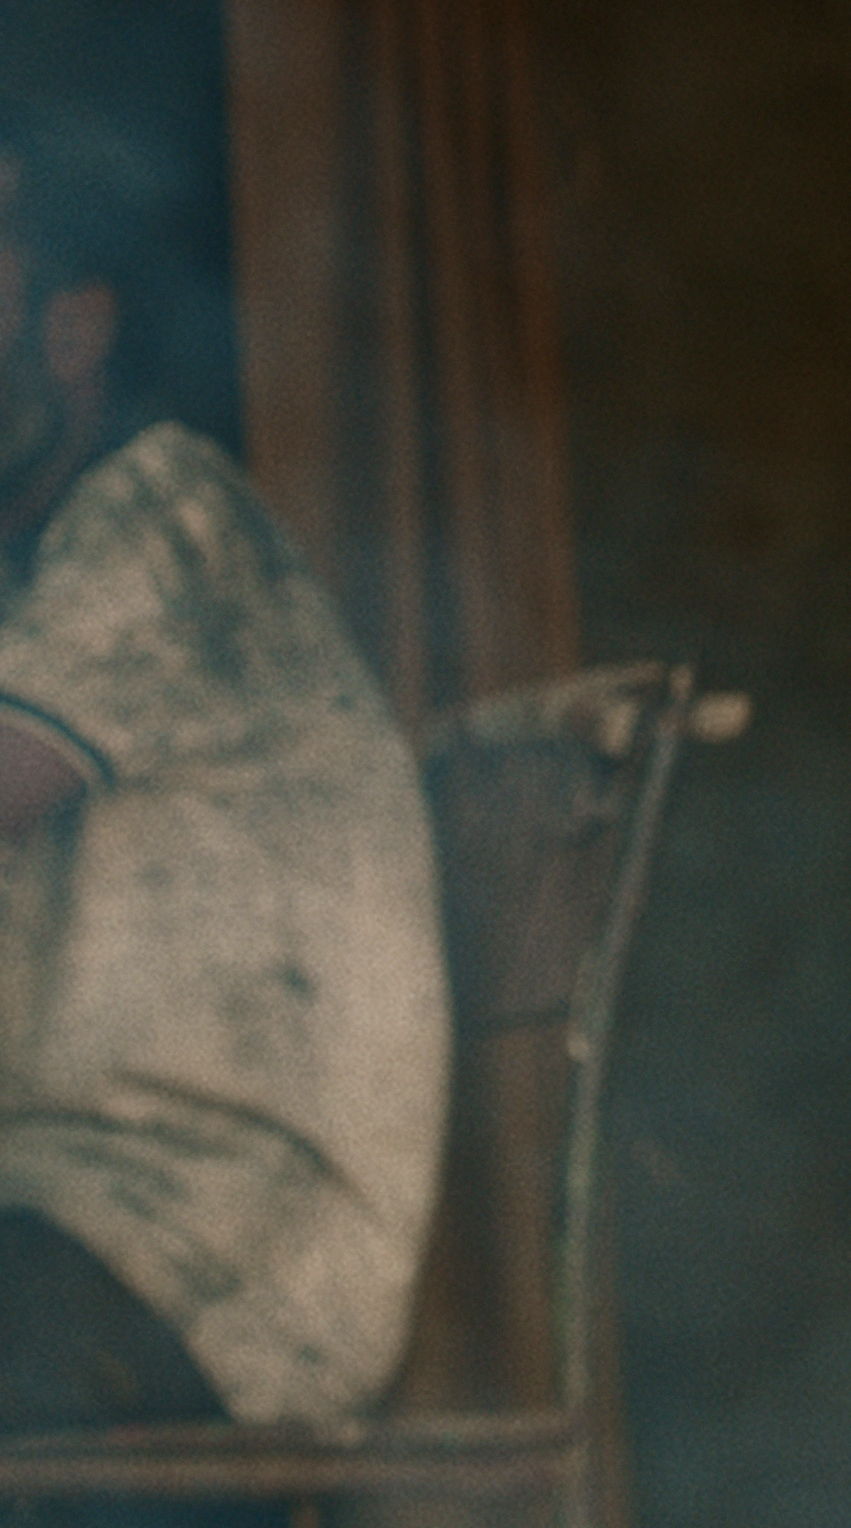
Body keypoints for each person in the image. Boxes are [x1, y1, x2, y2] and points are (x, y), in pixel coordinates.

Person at [0, 108, 447, 1523]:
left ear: (73, 330)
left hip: (213, 1253)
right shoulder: (39, 587)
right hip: (69, 1224)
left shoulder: (167, 520)